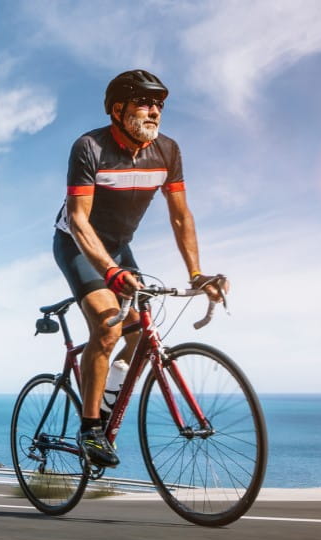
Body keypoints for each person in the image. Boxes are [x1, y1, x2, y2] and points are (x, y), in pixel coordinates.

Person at [53, 69, 225, 468]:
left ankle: (107, 392)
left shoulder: (167, 151)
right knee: (108, 326)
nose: (155, 111)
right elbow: (78, 221)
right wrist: (110, 273)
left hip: (119, 246)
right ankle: (90, 429)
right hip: (78, 242)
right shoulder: (90, 147)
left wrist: (196, 274)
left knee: (141, 335)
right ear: (118, 110)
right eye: (144, 103)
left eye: (159, 105)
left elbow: (180, 216)